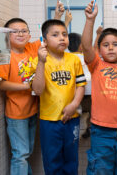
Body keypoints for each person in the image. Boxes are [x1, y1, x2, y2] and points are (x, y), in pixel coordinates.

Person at [82, 1, 117, 175]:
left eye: (115, 44)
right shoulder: (96, 65)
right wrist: (90, 20)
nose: (111, 48)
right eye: (105, 45)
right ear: (99, 49)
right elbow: (85, 46)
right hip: (101, 131)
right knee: (100, 168)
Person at [31, 19, 86, 175]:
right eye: (55, 35)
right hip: (49, 121)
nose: (62, 38)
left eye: (64, 34)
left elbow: (81, 85)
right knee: (52, 160)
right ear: (45, 40)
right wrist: (41, 62)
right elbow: (38, 90)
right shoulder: (38, 61)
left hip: (72, 117)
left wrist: (74, 104)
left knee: (71, 160)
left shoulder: (74, 59)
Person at [0, 18, 41, 175]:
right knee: (20, 155)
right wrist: (27, 86)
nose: (20, 34)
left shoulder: (31, 48)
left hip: (32, 110)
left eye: (24, 30)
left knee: (25, 153)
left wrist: (58, 15)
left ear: (29, 35)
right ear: (7, 36)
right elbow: (1, 85)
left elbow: (48, 37)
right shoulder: (5, 56)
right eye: (15, 31)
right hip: (16, 113)